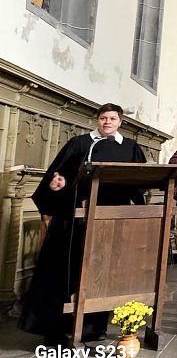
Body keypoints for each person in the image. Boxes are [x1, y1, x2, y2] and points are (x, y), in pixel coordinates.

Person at [19, 103, 146, 344]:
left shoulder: (130, 148)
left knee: (100, 273)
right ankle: (55, 329)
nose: (107, 122)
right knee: (63, 272)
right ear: (97, 121)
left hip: (109, 222)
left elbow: (137, 183)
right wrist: (57, 186)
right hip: (74, 221)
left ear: (120, 122)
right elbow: (57, 175)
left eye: (112, 118)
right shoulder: (80, 143)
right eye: (102, 118)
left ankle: (93, 327)